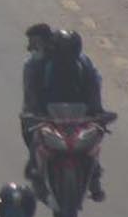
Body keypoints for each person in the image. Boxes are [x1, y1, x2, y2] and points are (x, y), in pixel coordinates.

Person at [23, 28, 106, 200]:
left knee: (95, 137)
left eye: (70, 52)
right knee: (33, 134)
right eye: (63, 51)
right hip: (47, 113)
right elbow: (32, 92)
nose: (66, 56)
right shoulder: (38, 65)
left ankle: (95, 177)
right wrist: (34, 112)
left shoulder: (84, 64)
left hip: (79, 112)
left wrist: (98, 113)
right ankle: (36, 170)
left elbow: (94, 87)